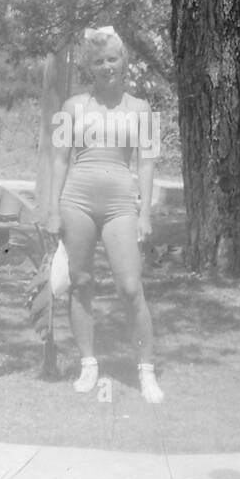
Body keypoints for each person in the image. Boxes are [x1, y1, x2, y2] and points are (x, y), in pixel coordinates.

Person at [46, 27, 164, 404]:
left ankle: (146, 371)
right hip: (76, 200)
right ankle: (88, 364)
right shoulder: (71, 107)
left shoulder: (143, 109)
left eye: (112, 58)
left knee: (130, 287)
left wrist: (144, 213)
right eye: (98, 61)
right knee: (80, 283)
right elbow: (59, 159)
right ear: (89, 66)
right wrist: (52, 209)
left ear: (124, 62)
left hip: (119, 205)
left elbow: (146, 165)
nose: (106, 66)